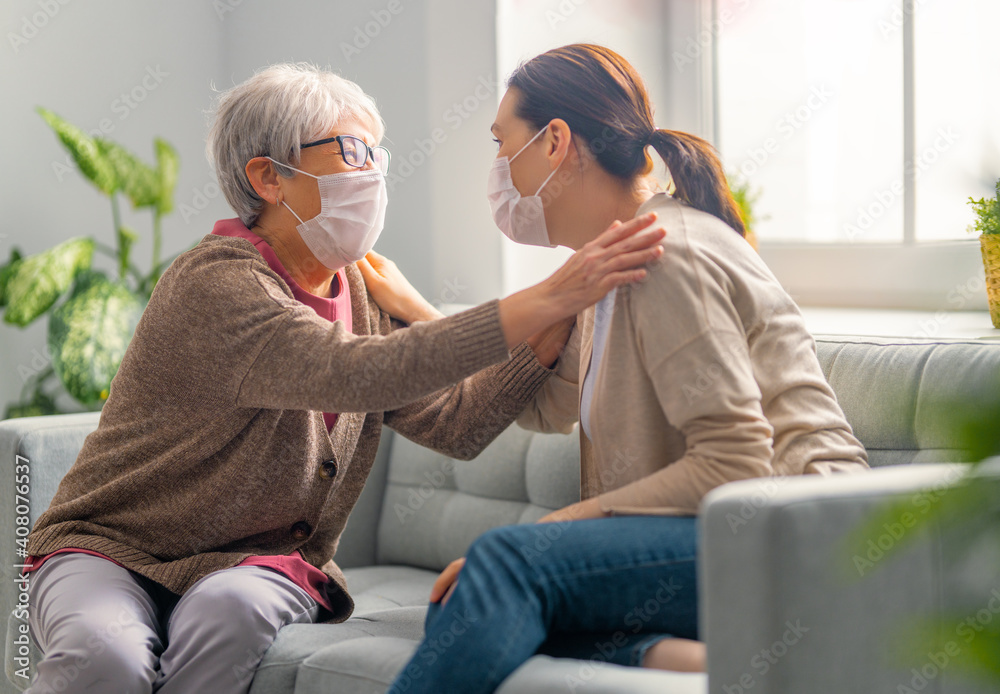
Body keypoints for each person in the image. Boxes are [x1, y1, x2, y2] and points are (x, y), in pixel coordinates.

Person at [21, 62, 665, 694]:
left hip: (258, 566)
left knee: (232, 612)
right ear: (269, 177)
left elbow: (457, 423)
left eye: (377, 153)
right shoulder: (214, 281)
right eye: (354, 151)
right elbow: (353, 372)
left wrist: (550, 327)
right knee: (103, 658)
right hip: (110, 550)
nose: (376, 172)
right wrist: (545, 298)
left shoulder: (362, 288)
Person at [376, 44, 869, 694]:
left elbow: (738, 462)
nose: (498, 168)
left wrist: (559, 526)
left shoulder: (662, 255)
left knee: (505, 564)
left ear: (555, 142)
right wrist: (419, 312)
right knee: (471, 597)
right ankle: (680, 656)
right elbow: (533, 403)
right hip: (726, 538)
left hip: (798, 539)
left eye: (503, 144)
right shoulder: (609, 268)